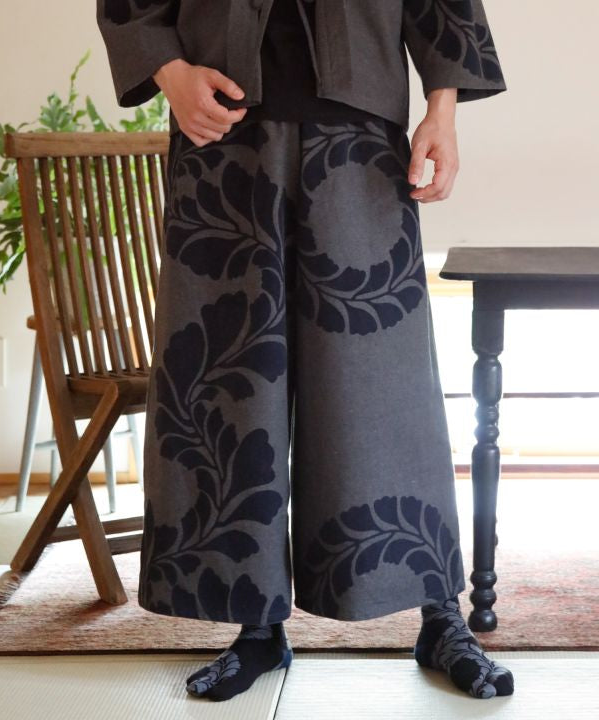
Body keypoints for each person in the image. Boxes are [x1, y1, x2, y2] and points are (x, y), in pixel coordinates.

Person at [97, 0, 513, 702]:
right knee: (226, 381)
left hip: (361, 132)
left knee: (383, 382)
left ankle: (441, 617)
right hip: (221, 133)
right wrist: (169, 72)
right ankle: (256, 626)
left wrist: (442, 110)